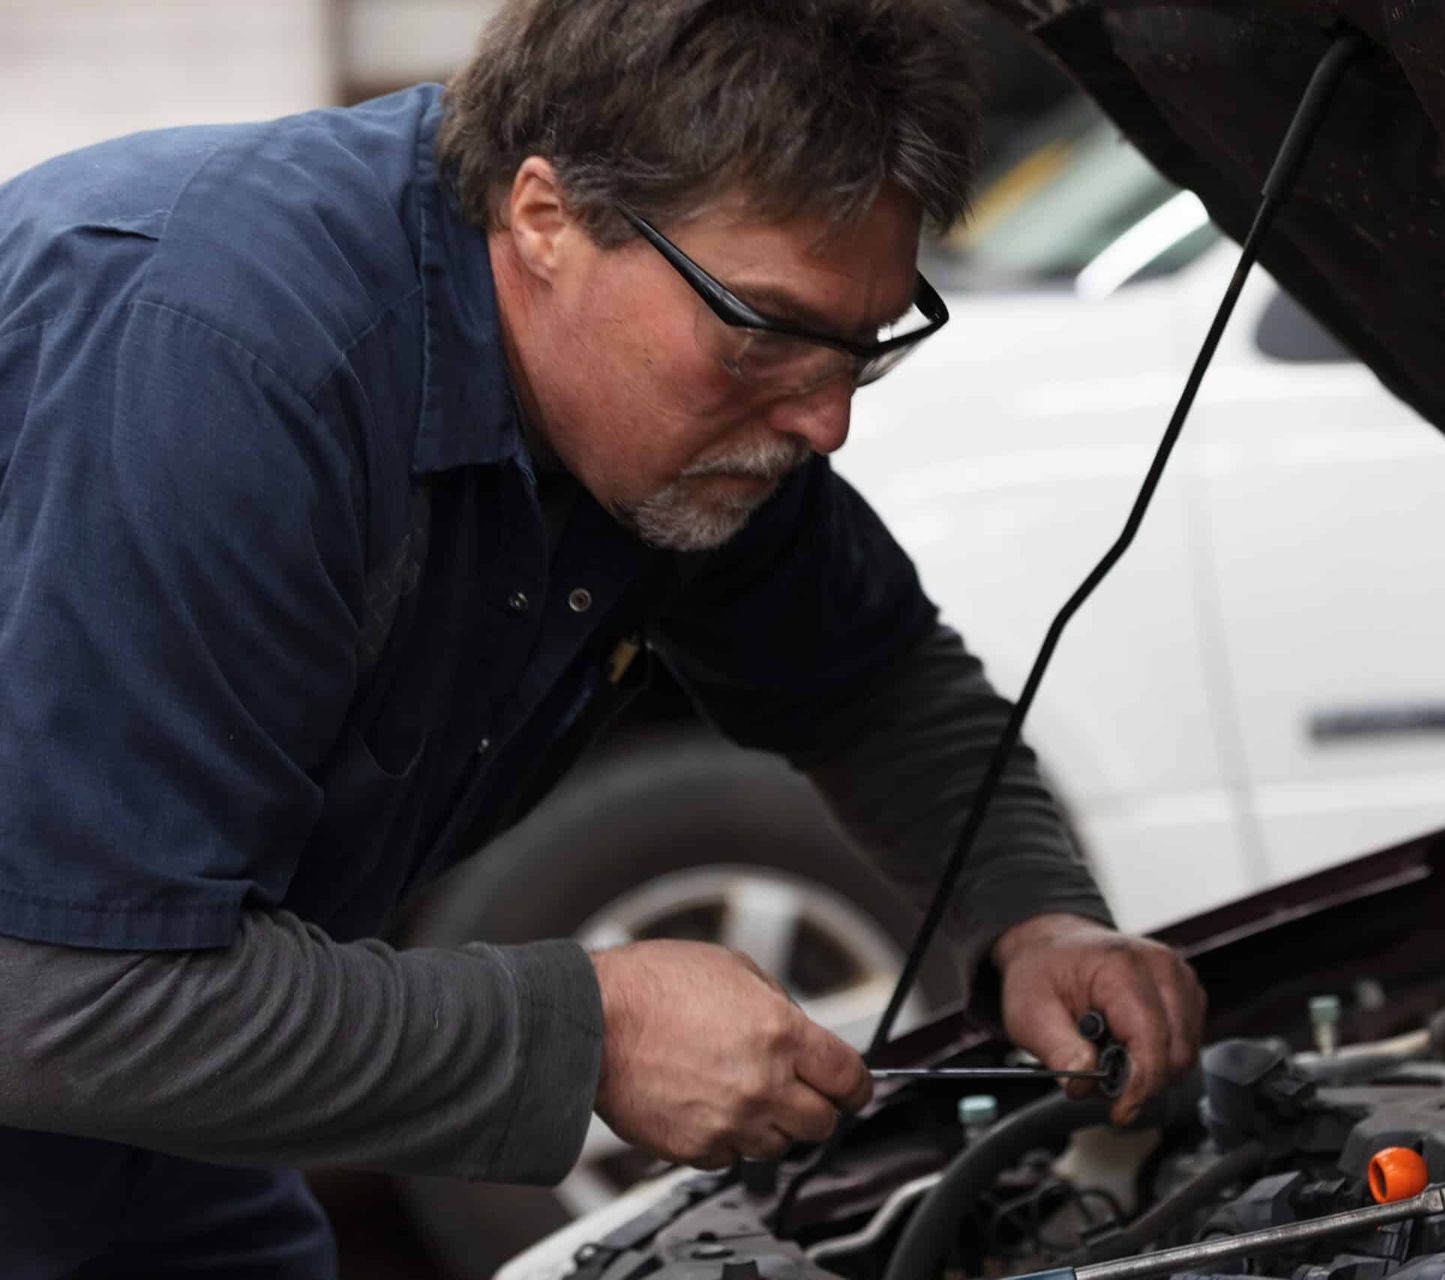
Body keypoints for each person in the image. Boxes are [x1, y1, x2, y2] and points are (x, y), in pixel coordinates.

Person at [0, 0, 1205, 1273]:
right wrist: (593, 1031)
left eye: (864, 349)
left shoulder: (669, 402)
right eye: (768, 334)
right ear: (544, 217)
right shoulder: (225, 369)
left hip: (142, 1147)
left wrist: (1035, 914)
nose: (827, 423)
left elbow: (878, 685)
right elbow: (58, 993)